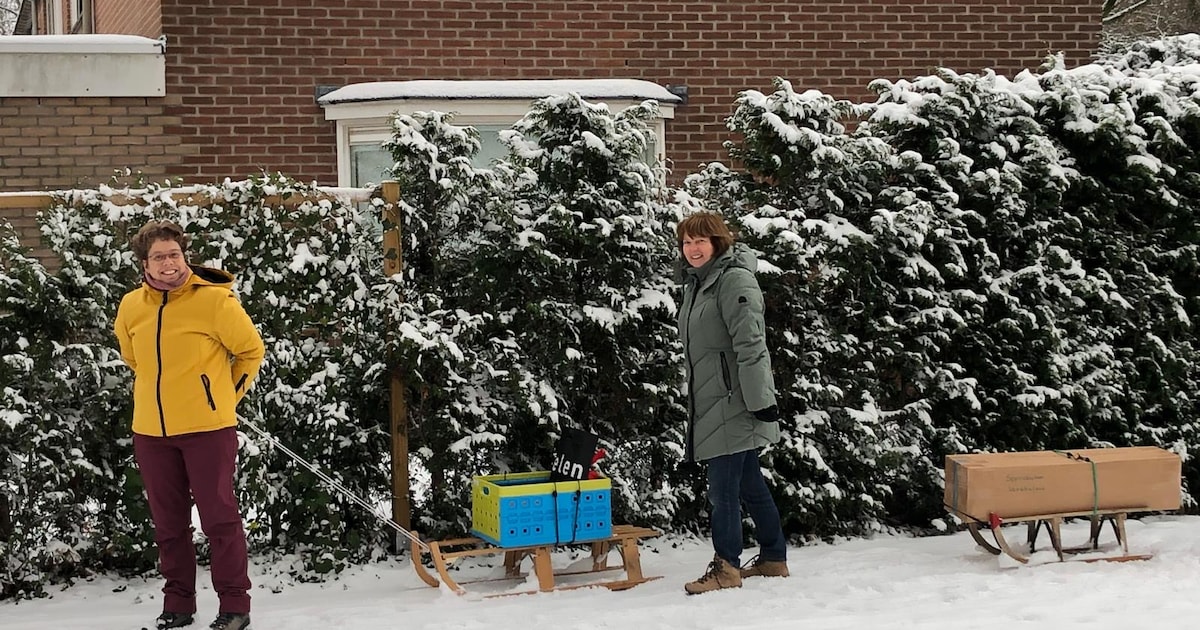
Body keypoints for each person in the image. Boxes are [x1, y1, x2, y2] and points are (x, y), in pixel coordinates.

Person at [114, 220, 264, 630]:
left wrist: (222, 398)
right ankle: (178, 605)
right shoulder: (131, 306)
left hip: (208, 431)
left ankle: (235, 606)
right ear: (144, 264)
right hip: (151, 433)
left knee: (219, 520)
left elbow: (250, 352)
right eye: (158, 256)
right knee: (169, 525)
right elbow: (133, 358)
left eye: (174, 254)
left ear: (185, 256)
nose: (168, 263)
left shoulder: (214, 301)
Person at [675, 212, 789, 595]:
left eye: (700, 241)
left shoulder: (733, 281)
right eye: (687, 242)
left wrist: (760, 401)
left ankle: (726, 567)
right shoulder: (698, 283)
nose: (693, 249)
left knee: (722, 490)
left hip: (735, 400)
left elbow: (751, 344)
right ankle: (773, 557)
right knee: (750, 484)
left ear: (717, 242)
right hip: (713, 398)